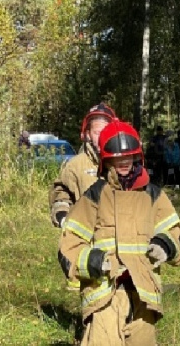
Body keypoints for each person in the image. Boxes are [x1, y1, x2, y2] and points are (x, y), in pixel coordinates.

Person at [58, 120, 180, 346]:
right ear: (107, 162)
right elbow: (69, 244)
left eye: (128, 159)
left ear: (138, 157)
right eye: (117, 160)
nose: (124, 165)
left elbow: (176, 232)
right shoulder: (94, 196)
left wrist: (165, 246)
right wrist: (93, 262)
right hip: (106, 286)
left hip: (143, 288)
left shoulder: (154, 195)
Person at [50, 103, 117, 290]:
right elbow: (61, 191)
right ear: (87, 134)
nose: (102, 137)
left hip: (116, 238)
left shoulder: (122, 161)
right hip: (86, 240)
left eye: (106, 131)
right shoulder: (76, 166)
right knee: (90, 290)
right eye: (97, 132)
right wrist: (62, 215)